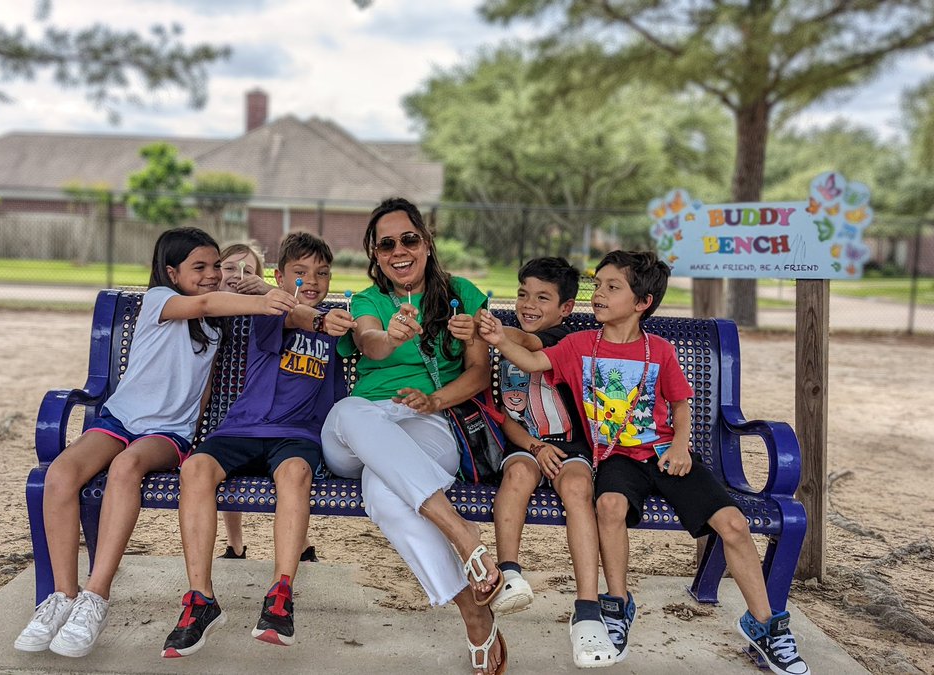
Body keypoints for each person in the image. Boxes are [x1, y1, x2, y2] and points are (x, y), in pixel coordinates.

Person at [477, 250, 809, 675]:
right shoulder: (579, 345)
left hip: (665, 454)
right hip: (616, 458)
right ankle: (617, 604)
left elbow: (681, 403)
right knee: (609, 505)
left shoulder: (661, 351)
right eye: (597, 285)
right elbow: (532, 360)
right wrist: (498, 338)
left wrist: (681, 446)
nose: (598, 294)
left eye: (611, 287)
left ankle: (764, 624)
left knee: (734, 524)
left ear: (641, 302)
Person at [14, 227, 298, 658]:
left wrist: (259, 289)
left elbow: (205, 379)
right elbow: (203, 303)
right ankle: (63, 597)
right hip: (119, 419)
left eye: (215, 266)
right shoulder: (159, 300)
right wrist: (261, 302)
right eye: (199, 267)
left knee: (127, 466)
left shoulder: (214, 328)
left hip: (167, 434)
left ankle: (96, 596)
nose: (211, 275)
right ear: (171, 272)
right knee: (61, 473)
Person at [321, 197, 507, 675]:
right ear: (375, 253)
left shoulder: (462, 294)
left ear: (426, 242)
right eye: (386, 244)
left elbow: (478, 373)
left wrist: (434, 400)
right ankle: (461, 532)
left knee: (384, 494)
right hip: (360, 430)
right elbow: (368, 341)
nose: (399, 251)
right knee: (348, 411)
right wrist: (392, 337)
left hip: (427, 419)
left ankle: (472, 612)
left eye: (409, 239)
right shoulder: (369, 301)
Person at [162, 232, 354, 657]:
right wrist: (310, 315)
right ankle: (200, 599)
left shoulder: (337, 325)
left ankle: (280, 595)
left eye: (322, 273)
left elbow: (368, 341)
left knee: (296, 473)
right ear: (279, 277)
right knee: (195, 468)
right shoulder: (269, 312)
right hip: (244, 427)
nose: (312, 281)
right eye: (300, 273)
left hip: (298, 435)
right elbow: (293, 315)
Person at [453, 256, 617, 666]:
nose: (528, 304)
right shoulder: (506, 349)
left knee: (577, 488)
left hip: (569, 448)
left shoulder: (565, 338)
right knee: (518, 474)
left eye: (542, 298)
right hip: (526, 444)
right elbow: (504, 415)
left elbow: (527, 343)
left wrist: (492, 331)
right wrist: (533, 445)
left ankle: (587, 608)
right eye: (523, 294)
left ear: (565, 308)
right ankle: (509, 574)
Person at [215, 243, 319, 563]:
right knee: (225, 452)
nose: (238, 275)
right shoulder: (209, 306)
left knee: (288, 467)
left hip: (265, 400)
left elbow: (295, 312)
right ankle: (235, 544)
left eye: (247, 270)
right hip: (227, 404)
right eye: (229, 268)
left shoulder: (270, 308)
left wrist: (265, 293)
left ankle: (301, 544)